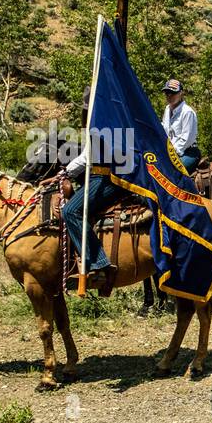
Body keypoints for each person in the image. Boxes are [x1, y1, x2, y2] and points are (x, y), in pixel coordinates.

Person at [58, 91, 128, 290]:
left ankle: (98, 262)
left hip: (107, 178)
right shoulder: (106, 122)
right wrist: (66, 172)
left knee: (70, 211)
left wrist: (66, 173)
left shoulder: (104, 125)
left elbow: (87, 157)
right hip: (98, 175)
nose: (86, 112)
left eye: (88, 109)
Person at [161, 79, 199, 171]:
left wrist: (171, 154)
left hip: (188, 152)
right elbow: (163, 129)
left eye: (173, 93)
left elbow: (187, 139)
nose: (169, 96)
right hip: (170, 151)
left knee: (172, 172)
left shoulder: (187, 112)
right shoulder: (167, 109)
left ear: (181, 93)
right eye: (167, 93)